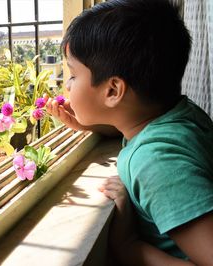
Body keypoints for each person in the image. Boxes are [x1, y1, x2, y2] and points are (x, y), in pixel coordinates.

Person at [45, 0, 213, 265]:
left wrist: (128, 246)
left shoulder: (156, 163)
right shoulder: (180, 114)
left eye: (73, 74)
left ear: (113, 91)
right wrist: (86, 124)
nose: (67, 84)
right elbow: (132, 124)